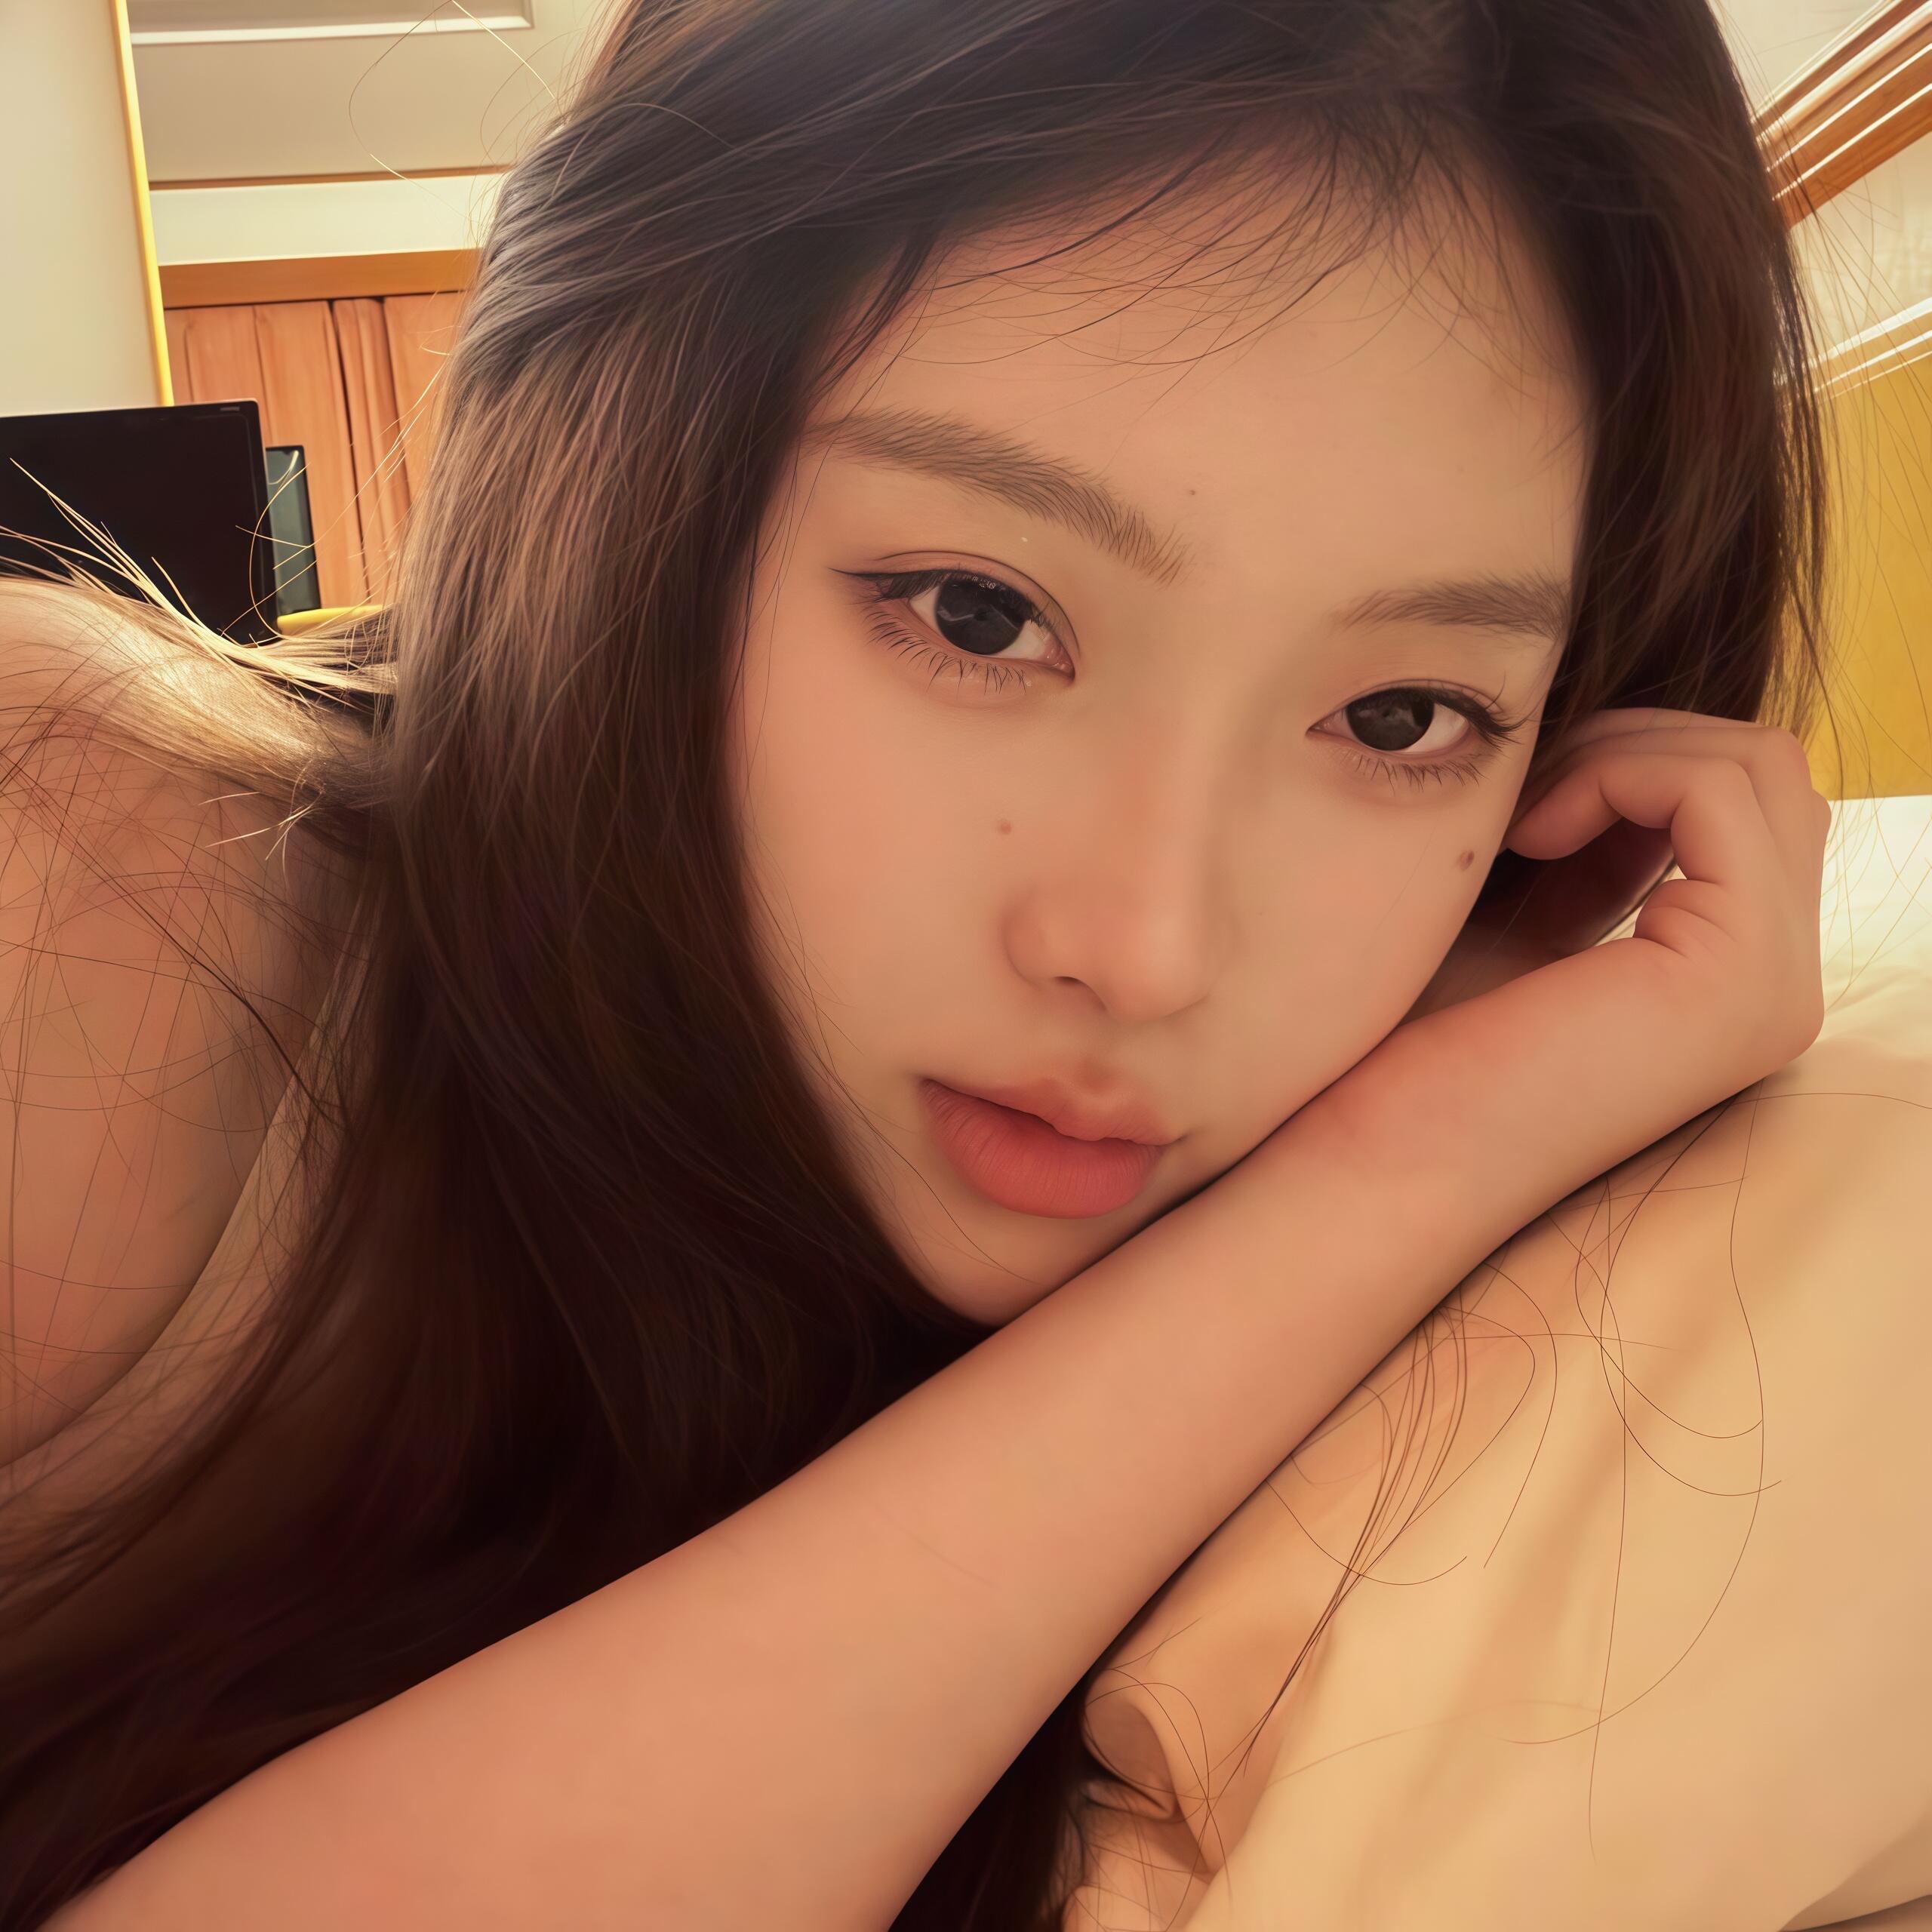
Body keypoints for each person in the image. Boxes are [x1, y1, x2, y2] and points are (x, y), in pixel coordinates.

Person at [0, 0, 1838, 1926]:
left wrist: (1397, 1167)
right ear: (623, 480)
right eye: (974, 612)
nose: (1143, 949)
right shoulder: (93, 886)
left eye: (1398, 719)